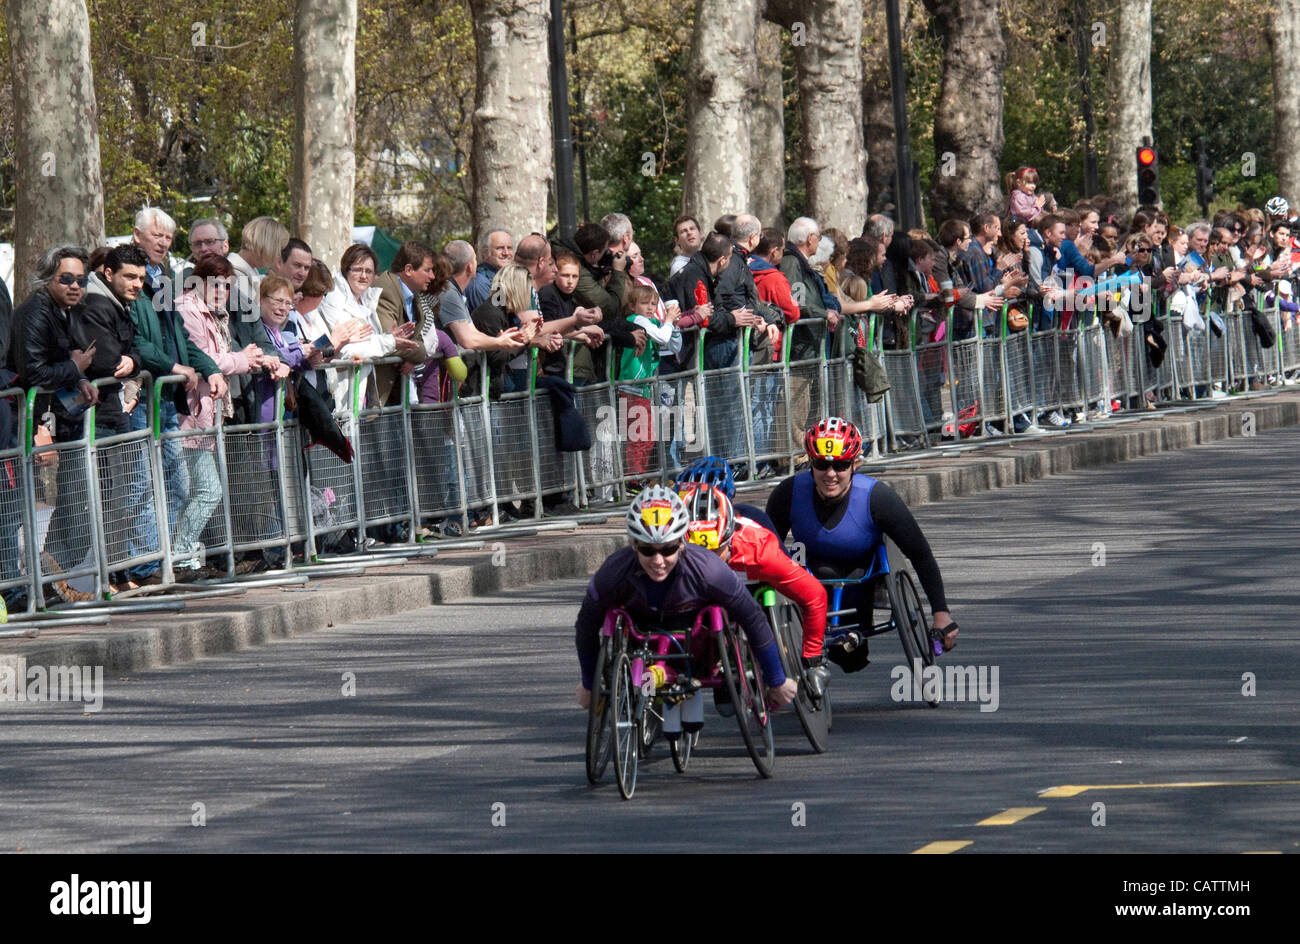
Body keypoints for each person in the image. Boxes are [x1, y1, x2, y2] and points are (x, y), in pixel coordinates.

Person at [573, 485, 798, 709]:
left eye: (668, 550)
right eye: (648, 550)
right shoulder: (612, 572)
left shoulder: (710, 570)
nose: (658, 561)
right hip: (641, 638)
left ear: (682, 544)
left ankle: (670, 688)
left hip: (697, 646)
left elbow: (752, 617)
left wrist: (776, 679)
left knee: (725, 703)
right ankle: (649, 693)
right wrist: (590, 683)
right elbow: (586, 626)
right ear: (634, 546)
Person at [766, 417, 959, 673]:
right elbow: (764, 551)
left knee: (851, 660)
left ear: (854, 463)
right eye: (822, 464)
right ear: (810, 462)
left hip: (857, 579)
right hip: (806, 578)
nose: (831, 474)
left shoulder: (877, 498)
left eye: (841, 465)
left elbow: (920, 554)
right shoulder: (787, 494)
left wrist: (940, 613)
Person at [679, 482, 831, 697]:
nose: (709, 561)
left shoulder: (761, 550)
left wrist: (813, 659)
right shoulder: (672, 555)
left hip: (756, 572)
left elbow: (815, 595)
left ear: (730, 537)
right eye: (700, 553)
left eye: (716, 551)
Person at [10, 247, 101, 602]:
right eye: (67, 278)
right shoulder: (35, 313)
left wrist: (78, 381)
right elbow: (33, 373)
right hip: (19, 417)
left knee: (33, 506)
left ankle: (40, 584)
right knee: (16, 508)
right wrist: (74, 369)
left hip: (40, 413)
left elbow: (58, 363)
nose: (75, 286)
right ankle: (19, 591)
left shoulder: (64, 312)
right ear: (49, 278)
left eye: (81, 279)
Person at [172, 256, 267, 569]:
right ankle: (179, 559)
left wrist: (245, 358)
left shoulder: (213, 313)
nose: (220, 291)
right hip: (189, 413)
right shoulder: (187, 308)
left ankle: (181, 558)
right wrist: (242, 360)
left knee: (200, 490)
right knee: (206, 490)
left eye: (226, 286)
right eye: (214, 284)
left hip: (205, 412)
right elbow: (203, 357)